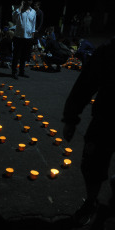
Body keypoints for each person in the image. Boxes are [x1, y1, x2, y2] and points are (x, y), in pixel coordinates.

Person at [62, 36, 115, 227]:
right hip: (107, 118)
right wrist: (71, 118)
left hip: (106, 117)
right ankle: (91, 202)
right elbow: (86, 83)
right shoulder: (109, 52)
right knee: (91, 164)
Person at [11, 0, 36, 79]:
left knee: (24, 56)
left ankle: (22, 71)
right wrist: (20, 6)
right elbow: (14, 16)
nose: (29, 2)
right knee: (16, 56)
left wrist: (32, 36)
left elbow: (33, 25)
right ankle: (14, 72)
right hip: (18, 37)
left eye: (30, 1)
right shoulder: (19, 11)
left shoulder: (33, 12)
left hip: (28, 38)